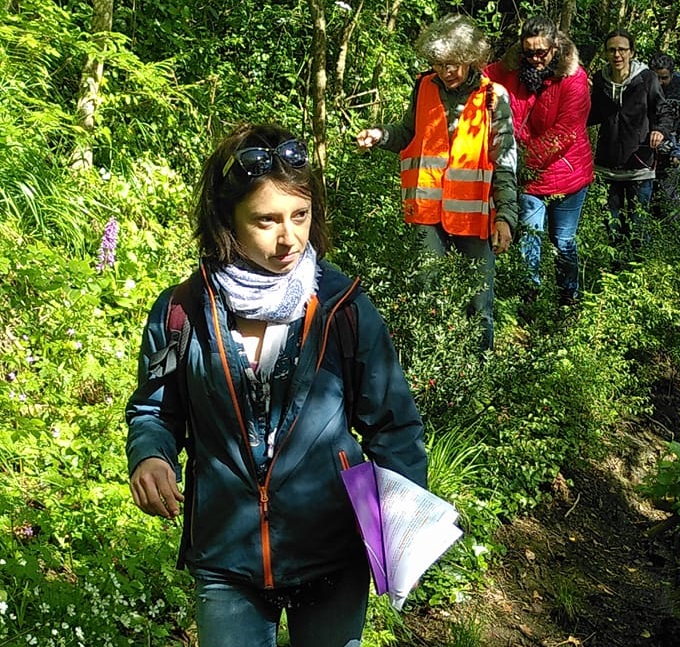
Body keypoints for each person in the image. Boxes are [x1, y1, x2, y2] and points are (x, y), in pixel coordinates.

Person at [126, 123, 428, 647]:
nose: (289, 237)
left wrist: (403, 536)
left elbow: (393, 426)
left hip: (333, 551)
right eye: (266, 220)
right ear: (227, 220)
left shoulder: (344, 309)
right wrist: (150, 455)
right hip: (225, 554)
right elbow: (155, 409)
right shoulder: (181, 311)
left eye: (301, 215)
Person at [355, 14, 518, 351]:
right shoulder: (423, 86)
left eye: (454, 64)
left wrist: (506, 216)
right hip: (427, 212)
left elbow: (504, 159)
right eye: (440, 63)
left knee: (479, 303)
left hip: (474, 216)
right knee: (427, 294)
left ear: (472, 58)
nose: (446, 71)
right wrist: (379, 135)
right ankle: (429, 367)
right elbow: (406, 134)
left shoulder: (493, 96)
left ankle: (477, 376)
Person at [485, 17, 593, 307]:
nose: (534, 59)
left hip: (567, 174)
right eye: (528, 52)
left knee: (563, 241)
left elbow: (565, 132)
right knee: (529, 238)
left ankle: (568, 298)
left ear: (554, 48)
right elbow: (480, 79)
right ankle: (528, 299)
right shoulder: (510, 69)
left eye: (541, 53)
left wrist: (521, 164)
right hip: (530, 179)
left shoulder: (574, 79)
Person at [587, 29, 673, 251]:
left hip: (639, 164)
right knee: (611, 228)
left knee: (638, 227)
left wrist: (660, 131)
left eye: (622, 50)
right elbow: (592, 114)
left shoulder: (647, 79)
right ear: (606, 53)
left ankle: (638, 270)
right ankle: (613, 273)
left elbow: (663, 111)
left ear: (631, 52)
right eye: (612, 50)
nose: (617, 55)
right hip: (607, 165)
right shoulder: (599, 80)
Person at [648, 53, 680, 220]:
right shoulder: (640, 84)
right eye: (656, 78)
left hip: (671, 152)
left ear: (672, 74)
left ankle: (672, 231)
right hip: (642, 153)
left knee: (668, 198)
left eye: (664, 78)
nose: (660, 83)